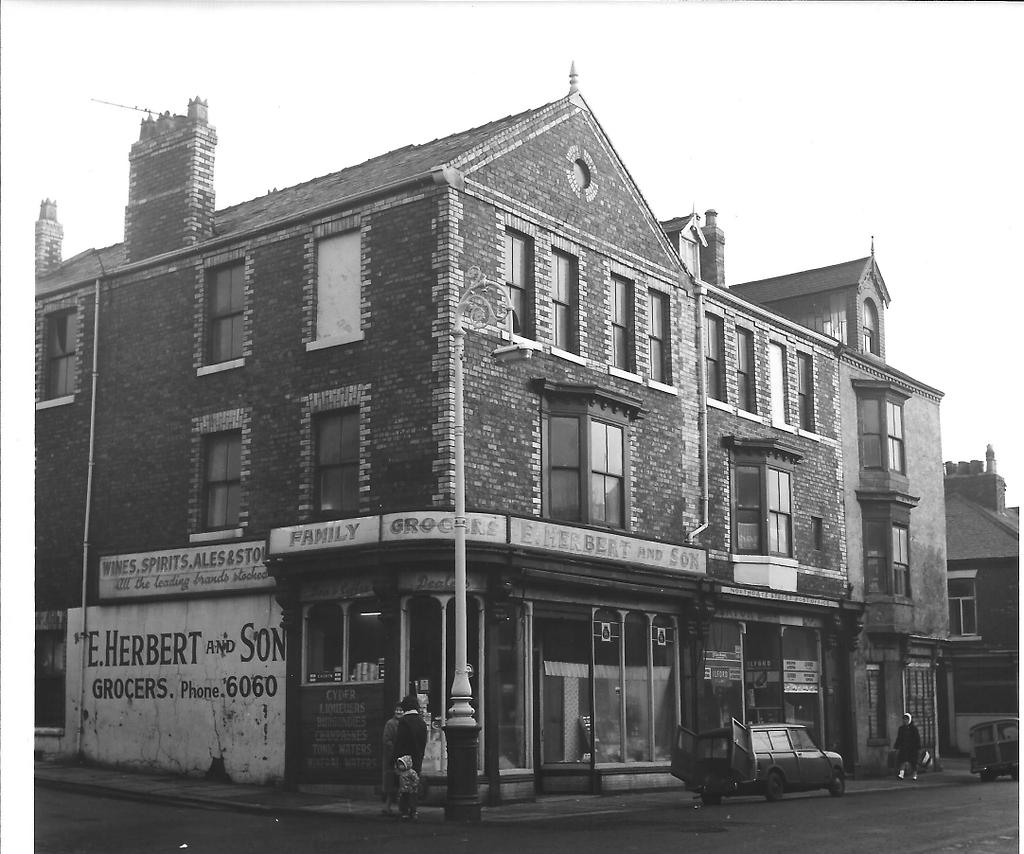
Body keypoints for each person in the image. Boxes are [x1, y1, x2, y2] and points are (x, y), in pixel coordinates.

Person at [392, 694, 428, 819]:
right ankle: (414, 810)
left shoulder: (404, 722)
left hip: (404, 759)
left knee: (404, 785)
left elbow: (400, 742)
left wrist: (395, 758)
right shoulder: (422, 723)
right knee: (414, 784)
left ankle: (405, 810)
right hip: (417, 758)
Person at [380, 703, 402, 815]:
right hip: (391, 759)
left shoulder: (403, 723)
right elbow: (386, 740)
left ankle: (396, 807)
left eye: (401, 710)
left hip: (400, 759)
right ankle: (387, 806)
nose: (398, 712)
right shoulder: (390, 723)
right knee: (391, 784)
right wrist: (395, 750)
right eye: (397, 710)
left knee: (398, 784)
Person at [893, 712, 922, 780]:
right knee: (902, 760)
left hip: (912, 748)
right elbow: (899, 738)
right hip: (904, 747)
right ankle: (901, 774)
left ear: (910, 720)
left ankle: (914, 775)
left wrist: (918, 747)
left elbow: (917, 738)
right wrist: (896, 746)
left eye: (907, 719)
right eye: (904, 719)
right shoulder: (901, 728)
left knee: (913, 762)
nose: (905, 721)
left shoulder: (914, 729)